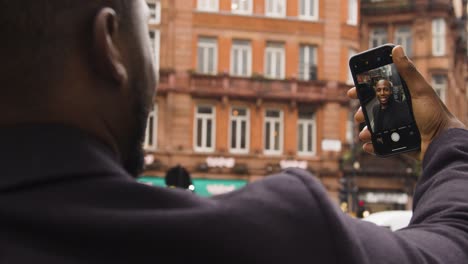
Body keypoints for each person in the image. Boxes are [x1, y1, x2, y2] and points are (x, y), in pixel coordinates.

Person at [0, 1, 467, 263]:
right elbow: (451, 247)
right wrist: (444, 138)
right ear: (108, 45)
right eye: (145, 21)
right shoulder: (274, 237)